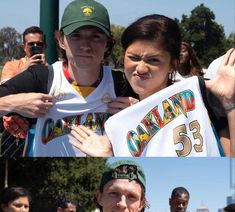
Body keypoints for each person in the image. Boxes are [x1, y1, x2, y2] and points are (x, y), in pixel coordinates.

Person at [70, 15, 235, 157]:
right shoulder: (119, 118)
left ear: (173, 64)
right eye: (133, 58)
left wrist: (229, 104)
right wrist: (108, 156)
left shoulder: (202, 97)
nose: (141, 68)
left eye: (153, 60)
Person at [0, 0, 134, 157]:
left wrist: (139, 111)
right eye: (76, 36)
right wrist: (14, 103)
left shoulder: (120, 83)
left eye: (96, 36)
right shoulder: (42, 77)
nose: (85, 45)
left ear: (107, 43)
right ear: (61, 41)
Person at [0, 26, 47, 157]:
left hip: (42, 131)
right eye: (31, 44)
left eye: (39, 44)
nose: (35, 47)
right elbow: (4, 89)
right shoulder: (12, 65)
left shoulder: (52, 70)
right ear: (24, 46)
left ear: (45, 47)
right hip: (14, 131)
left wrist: (45, 69)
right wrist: (25, 71)